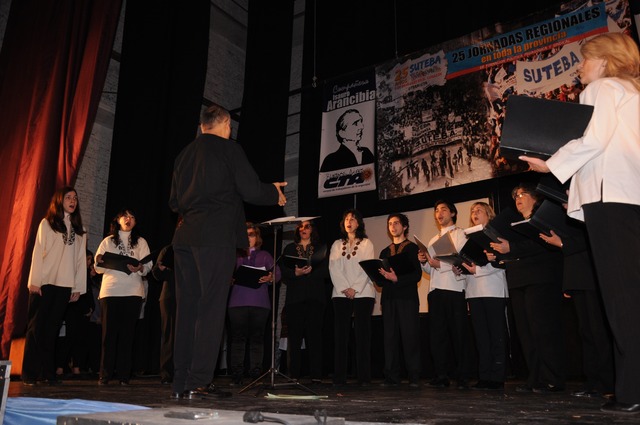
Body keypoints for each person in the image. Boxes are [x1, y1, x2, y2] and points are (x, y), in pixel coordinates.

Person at [520, 31, 640, 414]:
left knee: (621, 298)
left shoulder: (602, 88)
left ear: (604, 60)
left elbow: (595, 139)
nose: (580, 67)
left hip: (610, 198)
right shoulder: (632, 91)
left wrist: (550, 164)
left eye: (585, 59)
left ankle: (632, 390)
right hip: (630, 195)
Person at [169, 102, 286, 400]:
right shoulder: (229, 149)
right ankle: (199, 381)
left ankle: (180, 382)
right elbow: (251, 190)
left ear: (201, 125)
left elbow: (174, 202)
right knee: (211, 308)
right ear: (224, 124)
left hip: (184, 238)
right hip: (215, 238)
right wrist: (273, 191)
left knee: (186, 310)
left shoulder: (184, 154)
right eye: (229, 126)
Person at [490, 184, 565, 394]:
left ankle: (553, 378)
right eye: (515, 196)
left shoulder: (543, 218)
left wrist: (511, 247)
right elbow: (512, 252)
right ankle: (535, 378)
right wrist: (498, 253)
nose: (518, 198)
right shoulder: (512, 223)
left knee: (543, 330)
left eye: (522, 194)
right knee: (525, 333)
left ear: (535, 197)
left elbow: (542, 245)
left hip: (541, 279)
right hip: (518, 279)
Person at [22, 187, 87, 386]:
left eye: (75, 198)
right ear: (59, 200)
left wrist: (77, 287)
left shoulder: (79, 231)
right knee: (36, 328)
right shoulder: (47, 223)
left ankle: (48, 373)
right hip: (44, 283)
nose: (73, 201)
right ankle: (30, 374)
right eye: (68, 197)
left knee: (52, 330)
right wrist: (35, 281)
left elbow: (80, 261)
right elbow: (38, 252)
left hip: (65, 285)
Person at [417, 200, 473, 390]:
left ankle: (463, 375)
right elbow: (429, 270)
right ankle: (441, 375)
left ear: (453, 213)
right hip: (435, 290)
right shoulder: (433, 239)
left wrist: (439, 264)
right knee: (438, 335)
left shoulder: (461, 234)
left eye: (443, 209)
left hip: (454, 289)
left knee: (458, 333)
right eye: (436, 210)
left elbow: (462, 262)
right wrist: (424, 262)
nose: (439, 213)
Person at [94, 207, 151, 386]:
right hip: (111, 291)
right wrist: (99, 261)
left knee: (127, 335)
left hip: (133, 292)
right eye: (125, 216)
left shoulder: (141, 242)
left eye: (132, 217)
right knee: (108, 335)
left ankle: (124, 376)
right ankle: (105, 374)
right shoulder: (108, 241)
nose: (128, 219)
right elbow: (97, 267)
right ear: (118, 220)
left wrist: (140, 267)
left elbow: (148, 265)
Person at [460, 202, 508, 391]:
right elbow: (470, 264)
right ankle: (484, 376)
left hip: (493, 290)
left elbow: (500, 263)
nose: (475, 213)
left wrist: (477, 270)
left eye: (479, 210)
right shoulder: (469, 238)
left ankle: (497, 377)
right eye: (472, 211)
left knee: (496, 335)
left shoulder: (495, 235)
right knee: (481, 337)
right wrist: (460, 270)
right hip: (474, 292)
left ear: (489, 214)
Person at [228, 222, 281, 385]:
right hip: (237, 303)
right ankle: (237, 375)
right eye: (245, 235)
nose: (248, 237)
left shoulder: (265, 255)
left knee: (257, 340)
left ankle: (255, 375)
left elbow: (277, 274)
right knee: (238, 339)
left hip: (260, 303)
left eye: (251, 234)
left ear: (257, 237)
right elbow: (224, 274)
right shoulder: (235, 255)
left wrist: (270, 277)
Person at [329, 208, 375, 387]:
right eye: (347, 219)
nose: (349, 222)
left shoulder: (367, 243)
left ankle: (364, 378)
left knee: (362, 336)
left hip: (363, 293)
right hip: (340, 293)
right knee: (341, 336)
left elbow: (367, 267)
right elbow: (333, 268)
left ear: (359, 223)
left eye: (353, 219)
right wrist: (344, 288)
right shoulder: (336, 244)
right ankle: (340, 377)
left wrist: (354, 288)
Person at [377, 213, 422, 388]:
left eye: (396, 223)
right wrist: (378, 275)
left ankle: (414, 376)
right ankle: (391, 376)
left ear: (404, 227)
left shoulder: (412, 248)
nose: (392, 226)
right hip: (388, 299)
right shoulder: (384, 252)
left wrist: (397, 279)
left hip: (407, 298)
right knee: (389, 338)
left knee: (410, 337)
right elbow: (380, 281)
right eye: (390, 223)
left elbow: (417, 275)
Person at [281, 220, 329, 384]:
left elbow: (326, 270)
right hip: (295, 299)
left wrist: (311, 271)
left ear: (312, 229)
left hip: (315, 298)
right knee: (294, 338)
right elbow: (283, 271)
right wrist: (296, 273)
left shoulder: (321, 248)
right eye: (300, 226)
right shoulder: (289, 248)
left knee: (314, 337)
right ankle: (294, 374)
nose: (303, 229)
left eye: (307, 226)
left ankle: (316, 374)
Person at [151, 242, 176, 385]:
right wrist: (162, 269)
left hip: (189, 297)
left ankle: (185, 370)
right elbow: (156, 273)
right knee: (169, 334)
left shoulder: (195, 248)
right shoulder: (169, 249)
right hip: (170, 296)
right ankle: (167, 373)